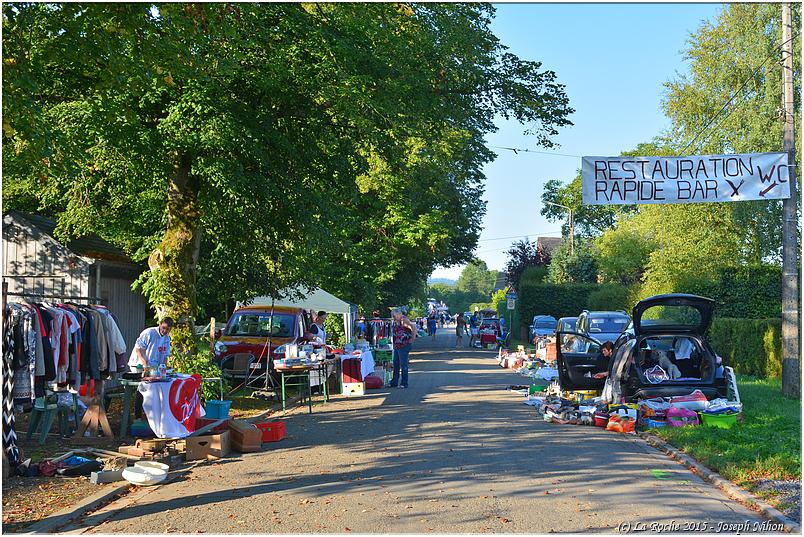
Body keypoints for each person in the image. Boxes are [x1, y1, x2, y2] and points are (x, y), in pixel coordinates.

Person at [128, 317, 173, 419]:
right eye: (163, 328)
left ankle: (151, 416)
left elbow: (165, 356)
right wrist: (144, 364)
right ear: (160, 324)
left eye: (167, 329)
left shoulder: (167, 338)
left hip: (153, 366)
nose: (165, 331)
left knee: (155, 387)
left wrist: (163, 369)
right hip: (139, 364)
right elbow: (138, 348)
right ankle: (137, 416)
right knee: (142, 387)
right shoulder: (149, 333)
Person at [389, 308, 416, 389]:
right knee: (396, 364)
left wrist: (412, 338)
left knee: (403, 364)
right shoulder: (396, 321)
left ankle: (404, 383)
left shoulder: (404, 320)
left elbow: (413, 327)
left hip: (404, 345)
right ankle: (394, 382)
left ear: (399, 314)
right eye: (392, 315)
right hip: (397, 345)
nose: (393, 317)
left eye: (394, 315)